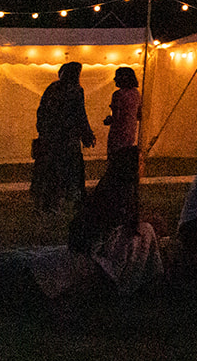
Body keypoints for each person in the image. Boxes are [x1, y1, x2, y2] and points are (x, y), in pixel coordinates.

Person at [19, 146, 165, 300]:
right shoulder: (116, 191)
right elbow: (116, 224)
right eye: (140, 162)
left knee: (145, 229)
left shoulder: (121, 189)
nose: (143, 166)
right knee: (145, 231)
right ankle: (136, 280)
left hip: (98, 245)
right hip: (98, 248)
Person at [31, 61, 96, 213]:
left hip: (51, 137)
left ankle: (48, 202)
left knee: (50, 171)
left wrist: (43, 131)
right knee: (66, 171)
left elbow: (41, 112)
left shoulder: (53, 88)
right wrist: (86, 133)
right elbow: (80, 114)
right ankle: (60, 202)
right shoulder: (75, 91)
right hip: (66, 139)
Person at [104, 66, 141, 156]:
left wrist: (109, 119)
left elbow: (117, 117)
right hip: (131, 130)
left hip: (118, 132)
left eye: (117, 76)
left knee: (115, 157)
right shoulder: (136, 94)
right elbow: (139, 115)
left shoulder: (118, 94)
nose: (114, 79)